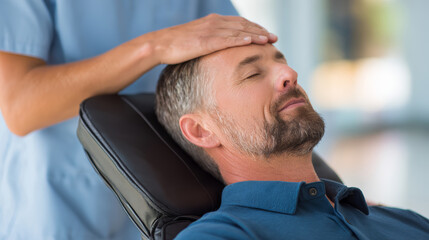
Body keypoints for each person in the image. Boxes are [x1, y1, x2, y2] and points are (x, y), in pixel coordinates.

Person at [0, 1, 281, 239]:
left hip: (177, 200)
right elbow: (20, 107)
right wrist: (154, 47)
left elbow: (236, 45)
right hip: (62, 208)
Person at [155, 43, 429, 239]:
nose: (289, 74)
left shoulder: (404, 220)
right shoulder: (220, 235)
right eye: (252, 74)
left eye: (281, 62)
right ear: (202, 131)